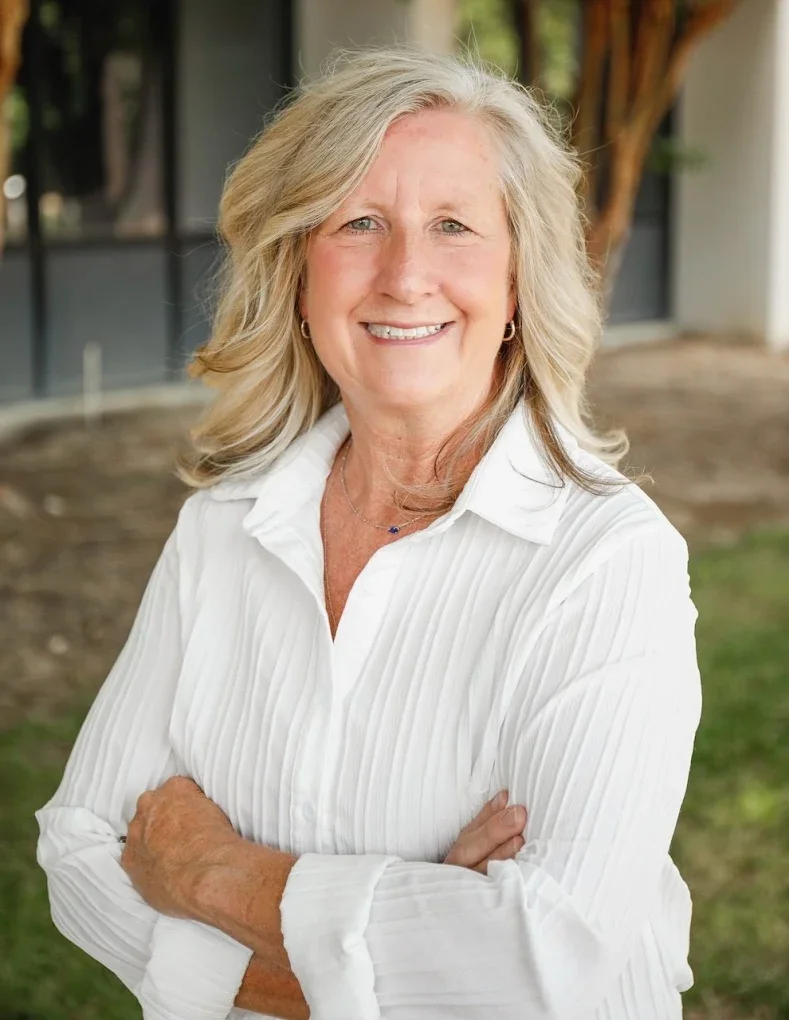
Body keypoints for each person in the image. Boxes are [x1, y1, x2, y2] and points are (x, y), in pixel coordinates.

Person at [35, 47, 702, 1020]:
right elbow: (80, 848)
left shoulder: (607, 559)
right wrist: (406, 924)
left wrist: (215, 875)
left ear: (518, 281)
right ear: (298, 270)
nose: (405, 276)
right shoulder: (221, 530)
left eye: (453, 226)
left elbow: (549, 962)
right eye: (358, 223)